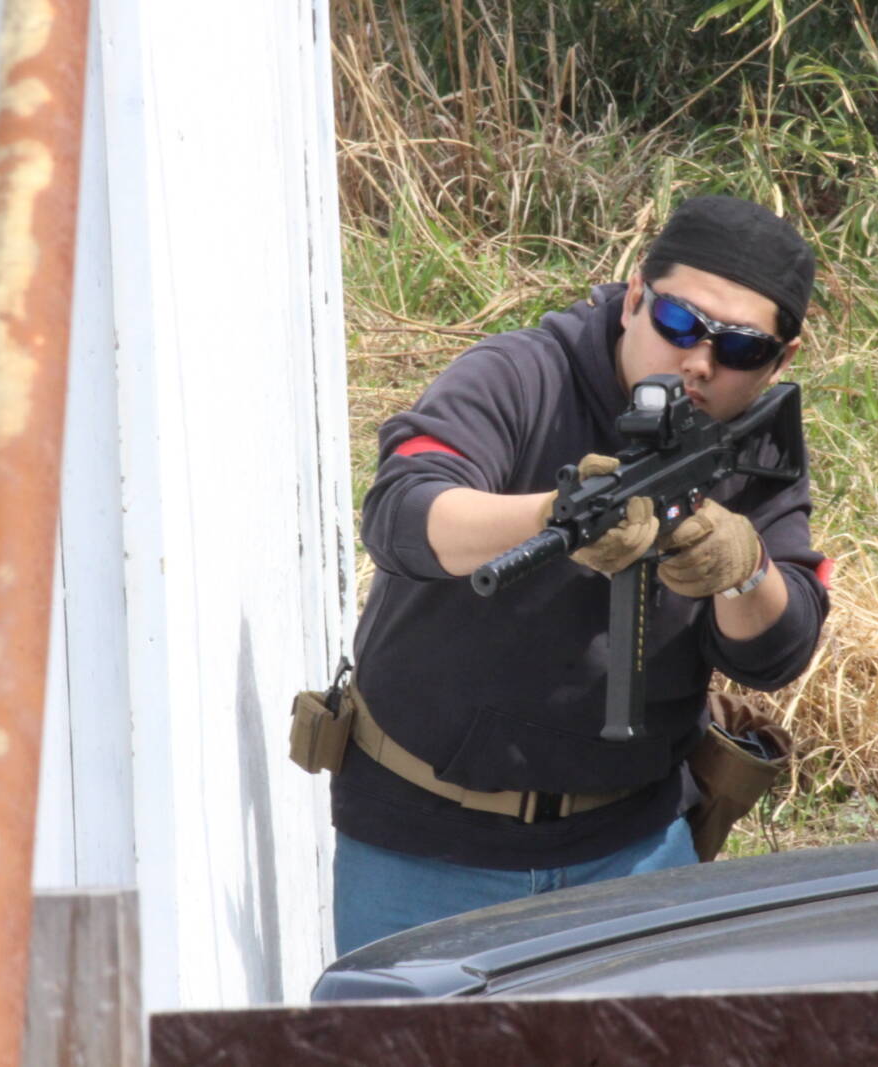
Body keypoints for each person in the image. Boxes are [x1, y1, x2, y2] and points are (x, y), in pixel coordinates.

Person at [332, 194, 831, 953]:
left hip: (632, 848)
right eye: (678, 322)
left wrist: (741, 568)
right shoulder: (522, 375)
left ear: (781, 362)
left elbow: (779, 649)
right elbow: (402, 513)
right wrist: (549, 517)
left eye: (741, 349)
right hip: (422, 843)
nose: (699, 362)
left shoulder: (749, 446)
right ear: (634, 298)